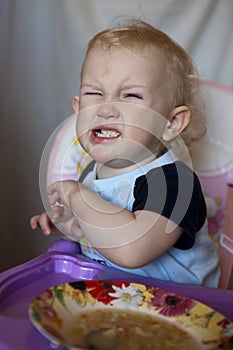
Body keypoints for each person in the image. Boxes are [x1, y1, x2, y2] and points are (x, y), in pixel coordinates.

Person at [30, 19, 220, 287]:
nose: (106, 109)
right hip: (114, 301)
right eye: (94, 93)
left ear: (171, 123)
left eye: (131, 96)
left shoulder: (173, 182)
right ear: (77, 108)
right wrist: (73, 224)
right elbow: (102, 236)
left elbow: (131, 249)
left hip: (181, 313)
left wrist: (77, 196)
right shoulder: (90, 174)